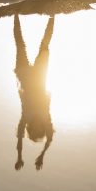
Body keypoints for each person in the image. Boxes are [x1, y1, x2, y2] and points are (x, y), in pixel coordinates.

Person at [13, 13, 56, 171]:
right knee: (44, 46)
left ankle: (15, 13)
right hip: (39, 75)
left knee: (20, 44)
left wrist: (19, 157)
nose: (39, 128)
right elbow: (50, 138)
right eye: (41, 130)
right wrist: (42, 155)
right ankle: (53, 15)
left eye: (35, 130)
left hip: (24, 75)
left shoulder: (26, 118)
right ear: (43, 128)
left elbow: (19, 138)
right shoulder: (45, 117)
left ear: (31, 128)